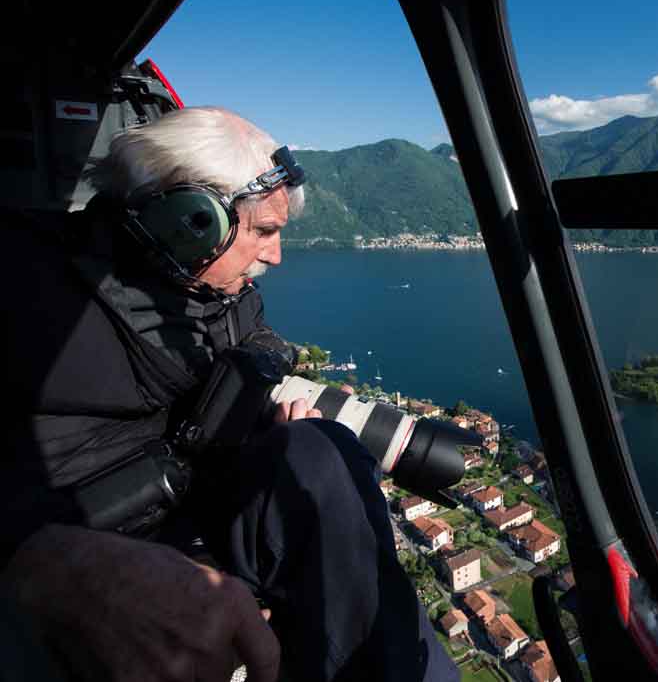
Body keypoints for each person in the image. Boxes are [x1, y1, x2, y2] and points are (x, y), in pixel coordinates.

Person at [0, 107, 458, 682]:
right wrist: (40, 566)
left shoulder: (220, 296)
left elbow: (260, 343)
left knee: (318, 453)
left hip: (186, 508)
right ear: (190, 220)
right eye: (264, 231)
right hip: (60, 555)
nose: (276, 256)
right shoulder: (22, 284)